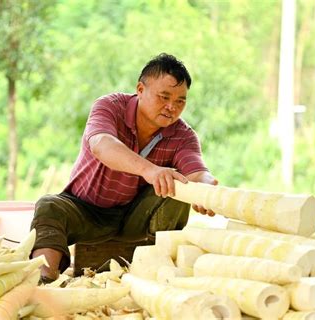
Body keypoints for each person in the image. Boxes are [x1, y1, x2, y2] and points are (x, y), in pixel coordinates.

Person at [31, 53, 218, 282]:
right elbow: (102, 145)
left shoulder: (184, 135)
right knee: (49, 206)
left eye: (180, 101)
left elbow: (197, 172)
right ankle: (45, 280)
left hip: (134, 218)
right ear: (140, 89)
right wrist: (150, 170)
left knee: (177, 185)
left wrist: (209, 189)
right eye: (164, 96)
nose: (172, 107)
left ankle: (162, 273)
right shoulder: (110, 106)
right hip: (85, 210)